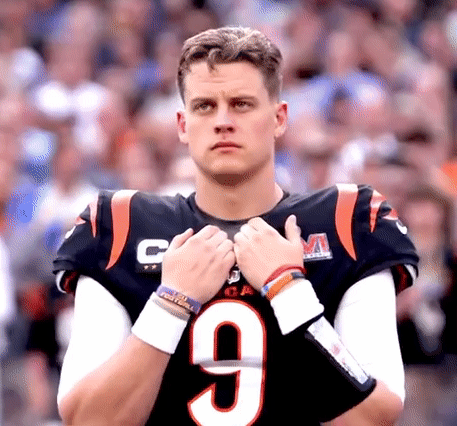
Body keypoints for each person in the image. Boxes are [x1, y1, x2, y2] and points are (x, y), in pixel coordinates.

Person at [53, 27, 419, 426]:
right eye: (205, 106)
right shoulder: (120, 225)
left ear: (279, 118)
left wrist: (288, 290)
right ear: (181, 124)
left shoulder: (348, 221)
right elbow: (87, 420)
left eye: (241, 104)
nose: (223, 121)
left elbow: (374, 417)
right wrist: (170, 302)